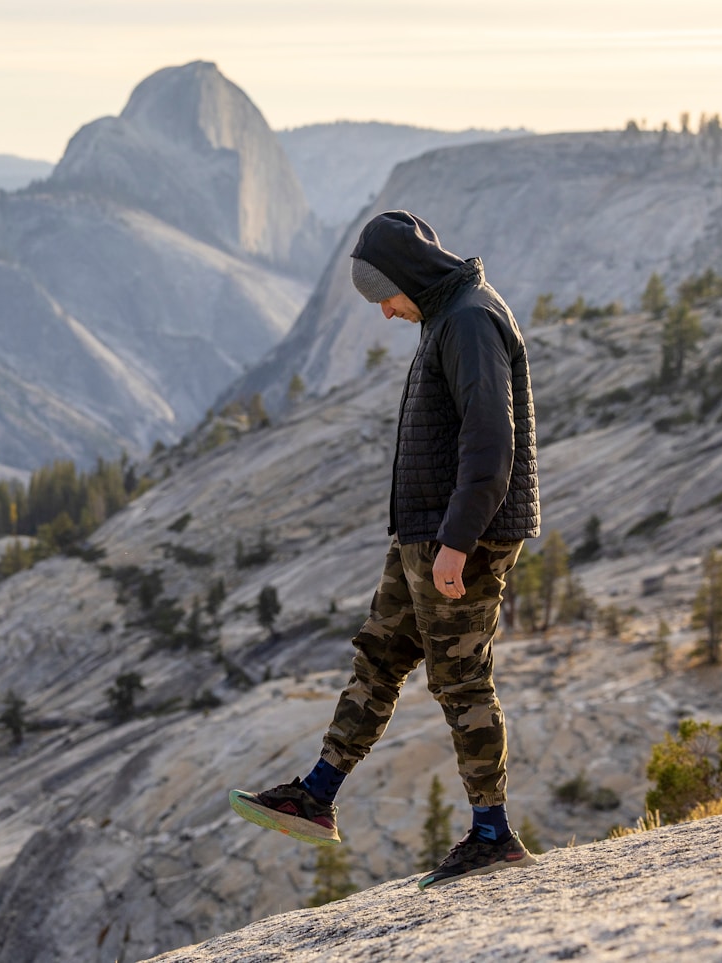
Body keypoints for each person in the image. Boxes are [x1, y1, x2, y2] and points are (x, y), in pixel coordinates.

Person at [229, 210, 540, 890]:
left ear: (404, 278)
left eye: (384, 297)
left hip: (462, 535)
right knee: (381, 653)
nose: (385, 312)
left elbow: (492, 443)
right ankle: (316, 793)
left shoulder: (468, 319)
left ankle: (493, 832)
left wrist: (457, 543)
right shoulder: (449, 313)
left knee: (461, 677)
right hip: (425, 531)